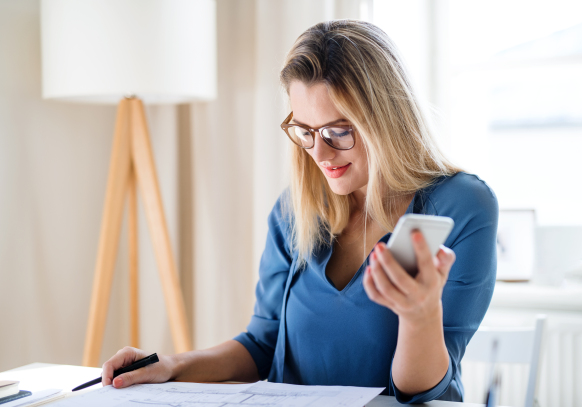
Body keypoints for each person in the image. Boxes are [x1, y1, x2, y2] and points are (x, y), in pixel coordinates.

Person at [101, 20, 498, 404]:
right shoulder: (295, 211)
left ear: (385, 118)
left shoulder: (460, 206)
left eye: (338, 131)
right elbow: (261, 345)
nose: (319, 154)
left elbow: (420, 391)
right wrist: (171, 365)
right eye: (305, 131)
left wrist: (419, 316)